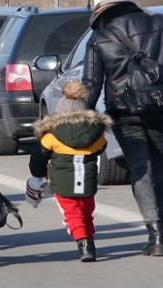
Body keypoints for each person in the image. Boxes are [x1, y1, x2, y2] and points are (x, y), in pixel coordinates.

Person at [82, 0, 163, 256]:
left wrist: (85, 115)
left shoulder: (98, 38)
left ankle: (155, 235)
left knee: (140, 169)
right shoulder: (155, 22)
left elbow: (91, 82)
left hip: (123, 112)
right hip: (160, 105)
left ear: (100, 11)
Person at [27, 80, 112, 262]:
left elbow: (38, 158)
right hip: (88, 181)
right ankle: (90, 242)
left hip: (62, 181)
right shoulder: (96, 134)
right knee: (86, 212)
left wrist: (38, 174)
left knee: (73, 213)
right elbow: (101, 148)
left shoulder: (52, 135)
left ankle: (83, 244)